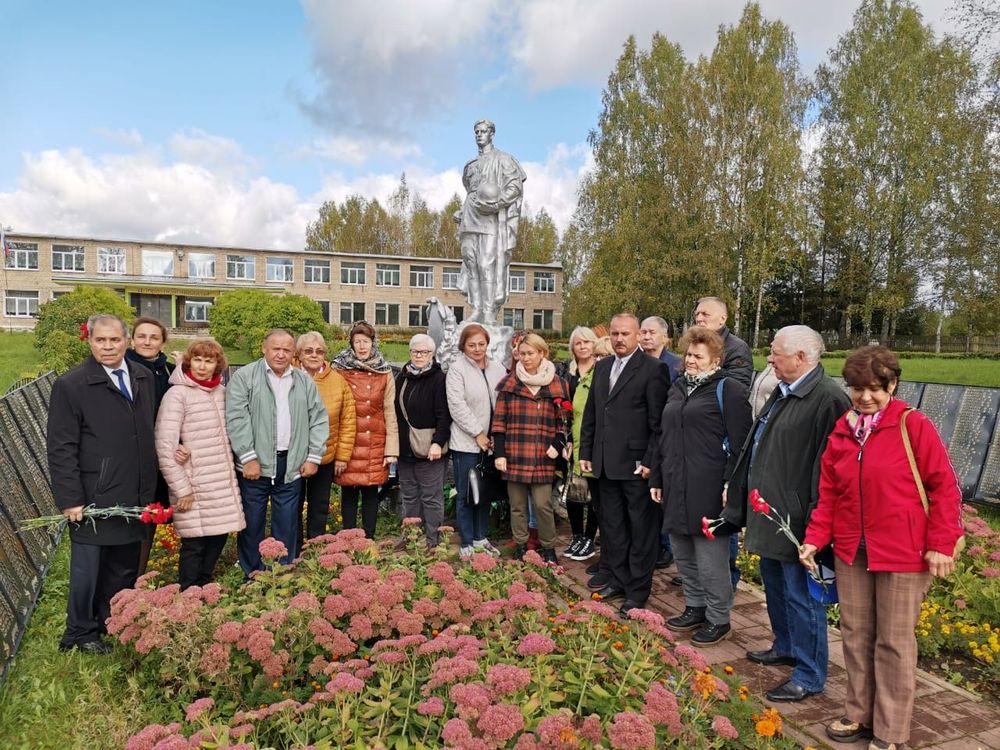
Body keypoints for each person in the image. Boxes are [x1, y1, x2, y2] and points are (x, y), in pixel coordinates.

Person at [800, 346, 962, 750]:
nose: (865, 397)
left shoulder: (913, 425)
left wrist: (941, 542)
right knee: (856, 636)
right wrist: (815, 537)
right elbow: (830, 494)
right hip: (853, 551)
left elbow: (944, 487)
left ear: (893, 384)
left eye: (875, 388)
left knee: (893, 642)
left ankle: (890, 731)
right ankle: (858, 712)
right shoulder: (843, 430)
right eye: (857, 389)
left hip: (904, 553)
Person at [722, 325, 851, 702]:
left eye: (777, 353)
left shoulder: (827, 399)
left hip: (798, 521)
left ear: (802, 358)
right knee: (775, 584)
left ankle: (810, 675)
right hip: (772, 511)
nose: (770, 360)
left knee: (801, 596)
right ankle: (786, 645)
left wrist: (814, 525)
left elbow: (829, 467)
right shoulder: (785, 390)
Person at [47, 314, 159, 653]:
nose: (107, 347)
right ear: (90, 342)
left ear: (126, 341)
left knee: (123, 564)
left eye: (114, 340)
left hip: (133, 490)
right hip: (94, 494)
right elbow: (61, 446)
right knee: (88, 568)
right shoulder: (73, 385)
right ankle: (80, 632)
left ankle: (109, 622)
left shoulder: (141, 376)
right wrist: (70, 498)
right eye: (100, 341)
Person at [649, 327, 752, 646]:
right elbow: (662, 434)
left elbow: (741, 444)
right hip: (675, 482)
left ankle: (719, 618)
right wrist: (656, 476)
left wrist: (730, 485)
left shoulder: (728, 389)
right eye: (688, 354)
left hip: (709, 487)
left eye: (698, 356)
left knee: (711, 557)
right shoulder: (678, 387)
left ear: (715, 360)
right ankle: (694, 607)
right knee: (683, 551)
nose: (690, 360)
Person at [579, 313, 670, 616]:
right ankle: (617, 580)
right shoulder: (602, 366)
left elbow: (658, 424)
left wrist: (649, 461)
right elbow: (593, 412)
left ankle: (637, 591)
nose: (619, 339)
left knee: (640, 531)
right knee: (613, 529)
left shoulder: (653, 370)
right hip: (605, 464)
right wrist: (587, 450)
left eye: (625, 334)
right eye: (615, 333)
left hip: (635, 467)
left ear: (637, 336)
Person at [226, 329, 328, 575]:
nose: (281, 354)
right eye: (276, 348)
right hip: (255, 465)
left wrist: (313, 456)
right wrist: (247, 456)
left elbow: (318, 419)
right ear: (264, 348)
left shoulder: (303, 381)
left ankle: (282, 575)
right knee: (252, 524)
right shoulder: (245, 377)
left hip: (290, 464)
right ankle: (252, 575)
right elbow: (236, 418)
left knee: (287, 523)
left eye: (286, 350)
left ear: (294, 353)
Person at [155, 338, 246, 589]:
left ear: (218, 364)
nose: (203, 366)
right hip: (193, 483)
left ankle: (205, 589)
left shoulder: (221, 392)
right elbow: (165, 445)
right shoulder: (177, 395)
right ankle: (188, 594)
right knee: (195, 543)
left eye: (209, 361)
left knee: (218, 536)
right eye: (197, 360)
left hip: (220, 481)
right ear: (188, 362)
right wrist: (181, 487)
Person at [492, 333, 571, 564]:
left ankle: (548, 547)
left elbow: (564, 421)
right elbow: (499, 421)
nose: (526, 358)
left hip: (542, 455)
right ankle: (520, 544)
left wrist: (558, 442)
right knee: (517, 506)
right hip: (515, 452)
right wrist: (499, 453)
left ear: (542, 353)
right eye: (522, 354)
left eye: (530, 353)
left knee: (542, 505)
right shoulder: (510, 384)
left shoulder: (557, 383)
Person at [126, 316, 186, 575]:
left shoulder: (169, 370)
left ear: (162, 342)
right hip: (135, 456)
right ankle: (131, 577)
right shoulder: (124, 369)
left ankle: (141, 577)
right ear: (132, 340)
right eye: (142, 336)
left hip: (166, 454)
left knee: (156, 513)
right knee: (137, 519)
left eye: (153, 337)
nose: (147, 341)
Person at [454, 119, 527, 324]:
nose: (479, 135)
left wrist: (496, 205)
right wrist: (462, 211)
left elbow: (514, 187)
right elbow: (471, 192)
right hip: (470, 216)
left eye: (483, 131)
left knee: (487, 263)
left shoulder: (504, 159)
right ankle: (476, 308)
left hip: (490, 219)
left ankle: (488, 311)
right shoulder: (470, 166)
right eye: (476, 131)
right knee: (471, 262)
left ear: (492, 134)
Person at [333, 321, 399, 539]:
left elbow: (390, 412)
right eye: (357, 341)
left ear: (373, 343)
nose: (362, 346)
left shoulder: (384, 371)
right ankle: (348, 539)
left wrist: (391, 450)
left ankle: (368, 539)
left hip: (374, 441)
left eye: (366, 341)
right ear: (351, 343)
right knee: (349, 491)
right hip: (348, 441)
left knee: (371, 491)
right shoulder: (339, 369)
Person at [447, 323, 507, 561]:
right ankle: (467, 541)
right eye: (472, 345)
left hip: (492, 443)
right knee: (465, 493)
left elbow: (503, 401)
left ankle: (482, 538)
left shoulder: (497, 369)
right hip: (467, 444)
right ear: (463, 346)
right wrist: (478, 433)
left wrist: (496, 435)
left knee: (484, 492)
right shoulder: (457, 369)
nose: (477, 349)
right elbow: (457, 405)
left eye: (481, 344)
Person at [296, 331, 356, 543]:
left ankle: (314, 546)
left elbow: (348, 420)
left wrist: (342, 456)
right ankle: (292, 549)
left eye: (319, 351)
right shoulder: (288, 376)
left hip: (325, 454)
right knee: (291, 505)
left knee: (319, 505)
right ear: (299, 354)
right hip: (293, 454)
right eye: (308, 351)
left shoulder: (337, 381)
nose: (314, 355)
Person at [394, 333, 451, 548]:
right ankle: (410, 537)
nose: (419, 355)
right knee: (409, 496)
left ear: (432, 354)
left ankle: (432, 541)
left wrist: (437, 442)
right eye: (415, 351)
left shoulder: (439, 379)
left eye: (424, 352)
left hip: (430, 449)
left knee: (431, 497)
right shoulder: (402, 377)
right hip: (405, 449)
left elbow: (444, 415)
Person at [560, 326, 601, 561]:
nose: (583, 346)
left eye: (587, 342)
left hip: (594, 437)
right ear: (572, 347)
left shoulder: (601, 369)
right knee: (573, 490)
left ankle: (589, 537)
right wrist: (565, 438)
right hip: (572, 437)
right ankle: (576, 535)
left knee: (593, 491)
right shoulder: (567, 372)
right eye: (578, 343)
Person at [693, 297, 754, 387]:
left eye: (705, 314)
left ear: (722, 319)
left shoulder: (737, 348)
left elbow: (738, 387)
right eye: (697, 314)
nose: (699, 319)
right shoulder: (693, 343)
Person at [639, 316, 682, 384]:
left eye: (652, 332)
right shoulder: (632, 362)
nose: (646, 337)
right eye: (643, 332)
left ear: (664, 337)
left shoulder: (677, 365)